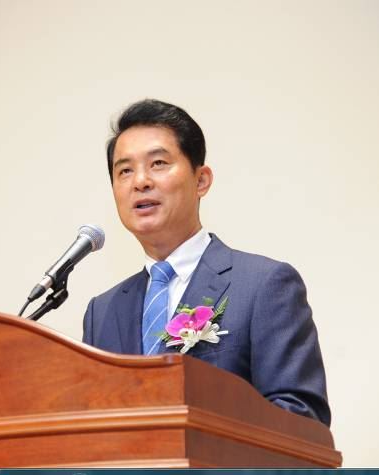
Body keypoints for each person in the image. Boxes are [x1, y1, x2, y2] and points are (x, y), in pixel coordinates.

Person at [82, 99, 331, 427]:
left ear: (201, 180)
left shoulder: (264, 285)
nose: (140, 181)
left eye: (158, 163)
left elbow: (302, 418)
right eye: (124, 170)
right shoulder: (102, 312)